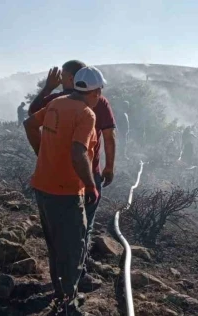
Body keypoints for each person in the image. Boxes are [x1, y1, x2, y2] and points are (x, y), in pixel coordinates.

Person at [23, 66, 107, 316]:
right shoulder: (86, 114)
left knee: (55, 244)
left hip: (43, 186)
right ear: (95, 91)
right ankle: (69, 306)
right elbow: (78, 152)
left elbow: (29, 124)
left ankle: (61, 293)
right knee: (72, 246)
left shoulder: (58, 102)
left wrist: (43, 156)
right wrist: (90, 184)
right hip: (67, 192)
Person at [28, 60, 116, 246]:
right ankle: (76, 268)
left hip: (55, 175)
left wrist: (47, 88)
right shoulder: (99, 102)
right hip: (89, 174)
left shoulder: (56, 100)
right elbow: (108, 137)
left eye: (62, 77)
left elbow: (31, 118)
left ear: (70, 78)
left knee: (59, 229)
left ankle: (64, 266)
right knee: (85, 225)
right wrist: (108, 167)